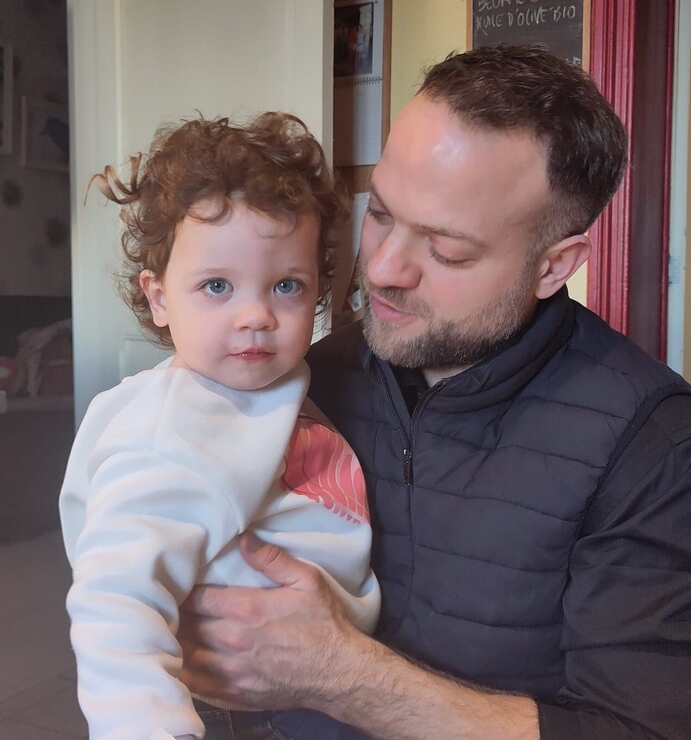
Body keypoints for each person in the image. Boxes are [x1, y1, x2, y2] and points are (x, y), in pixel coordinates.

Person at [176, 45, 691, 740]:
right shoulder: (305, 375)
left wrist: (341, 674)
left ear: (553, 265)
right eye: (381, 214)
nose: (383, 270)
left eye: (447, 250)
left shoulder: (649, 443)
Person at [59, 112, 380, 740]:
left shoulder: (269, 390)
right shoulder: (172, 428)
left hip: (323, 684)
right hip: (239, 711)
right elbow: (115, 598)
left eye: (286, 285)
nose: (256, 314)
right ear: (158, 297)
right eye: (216, 286)